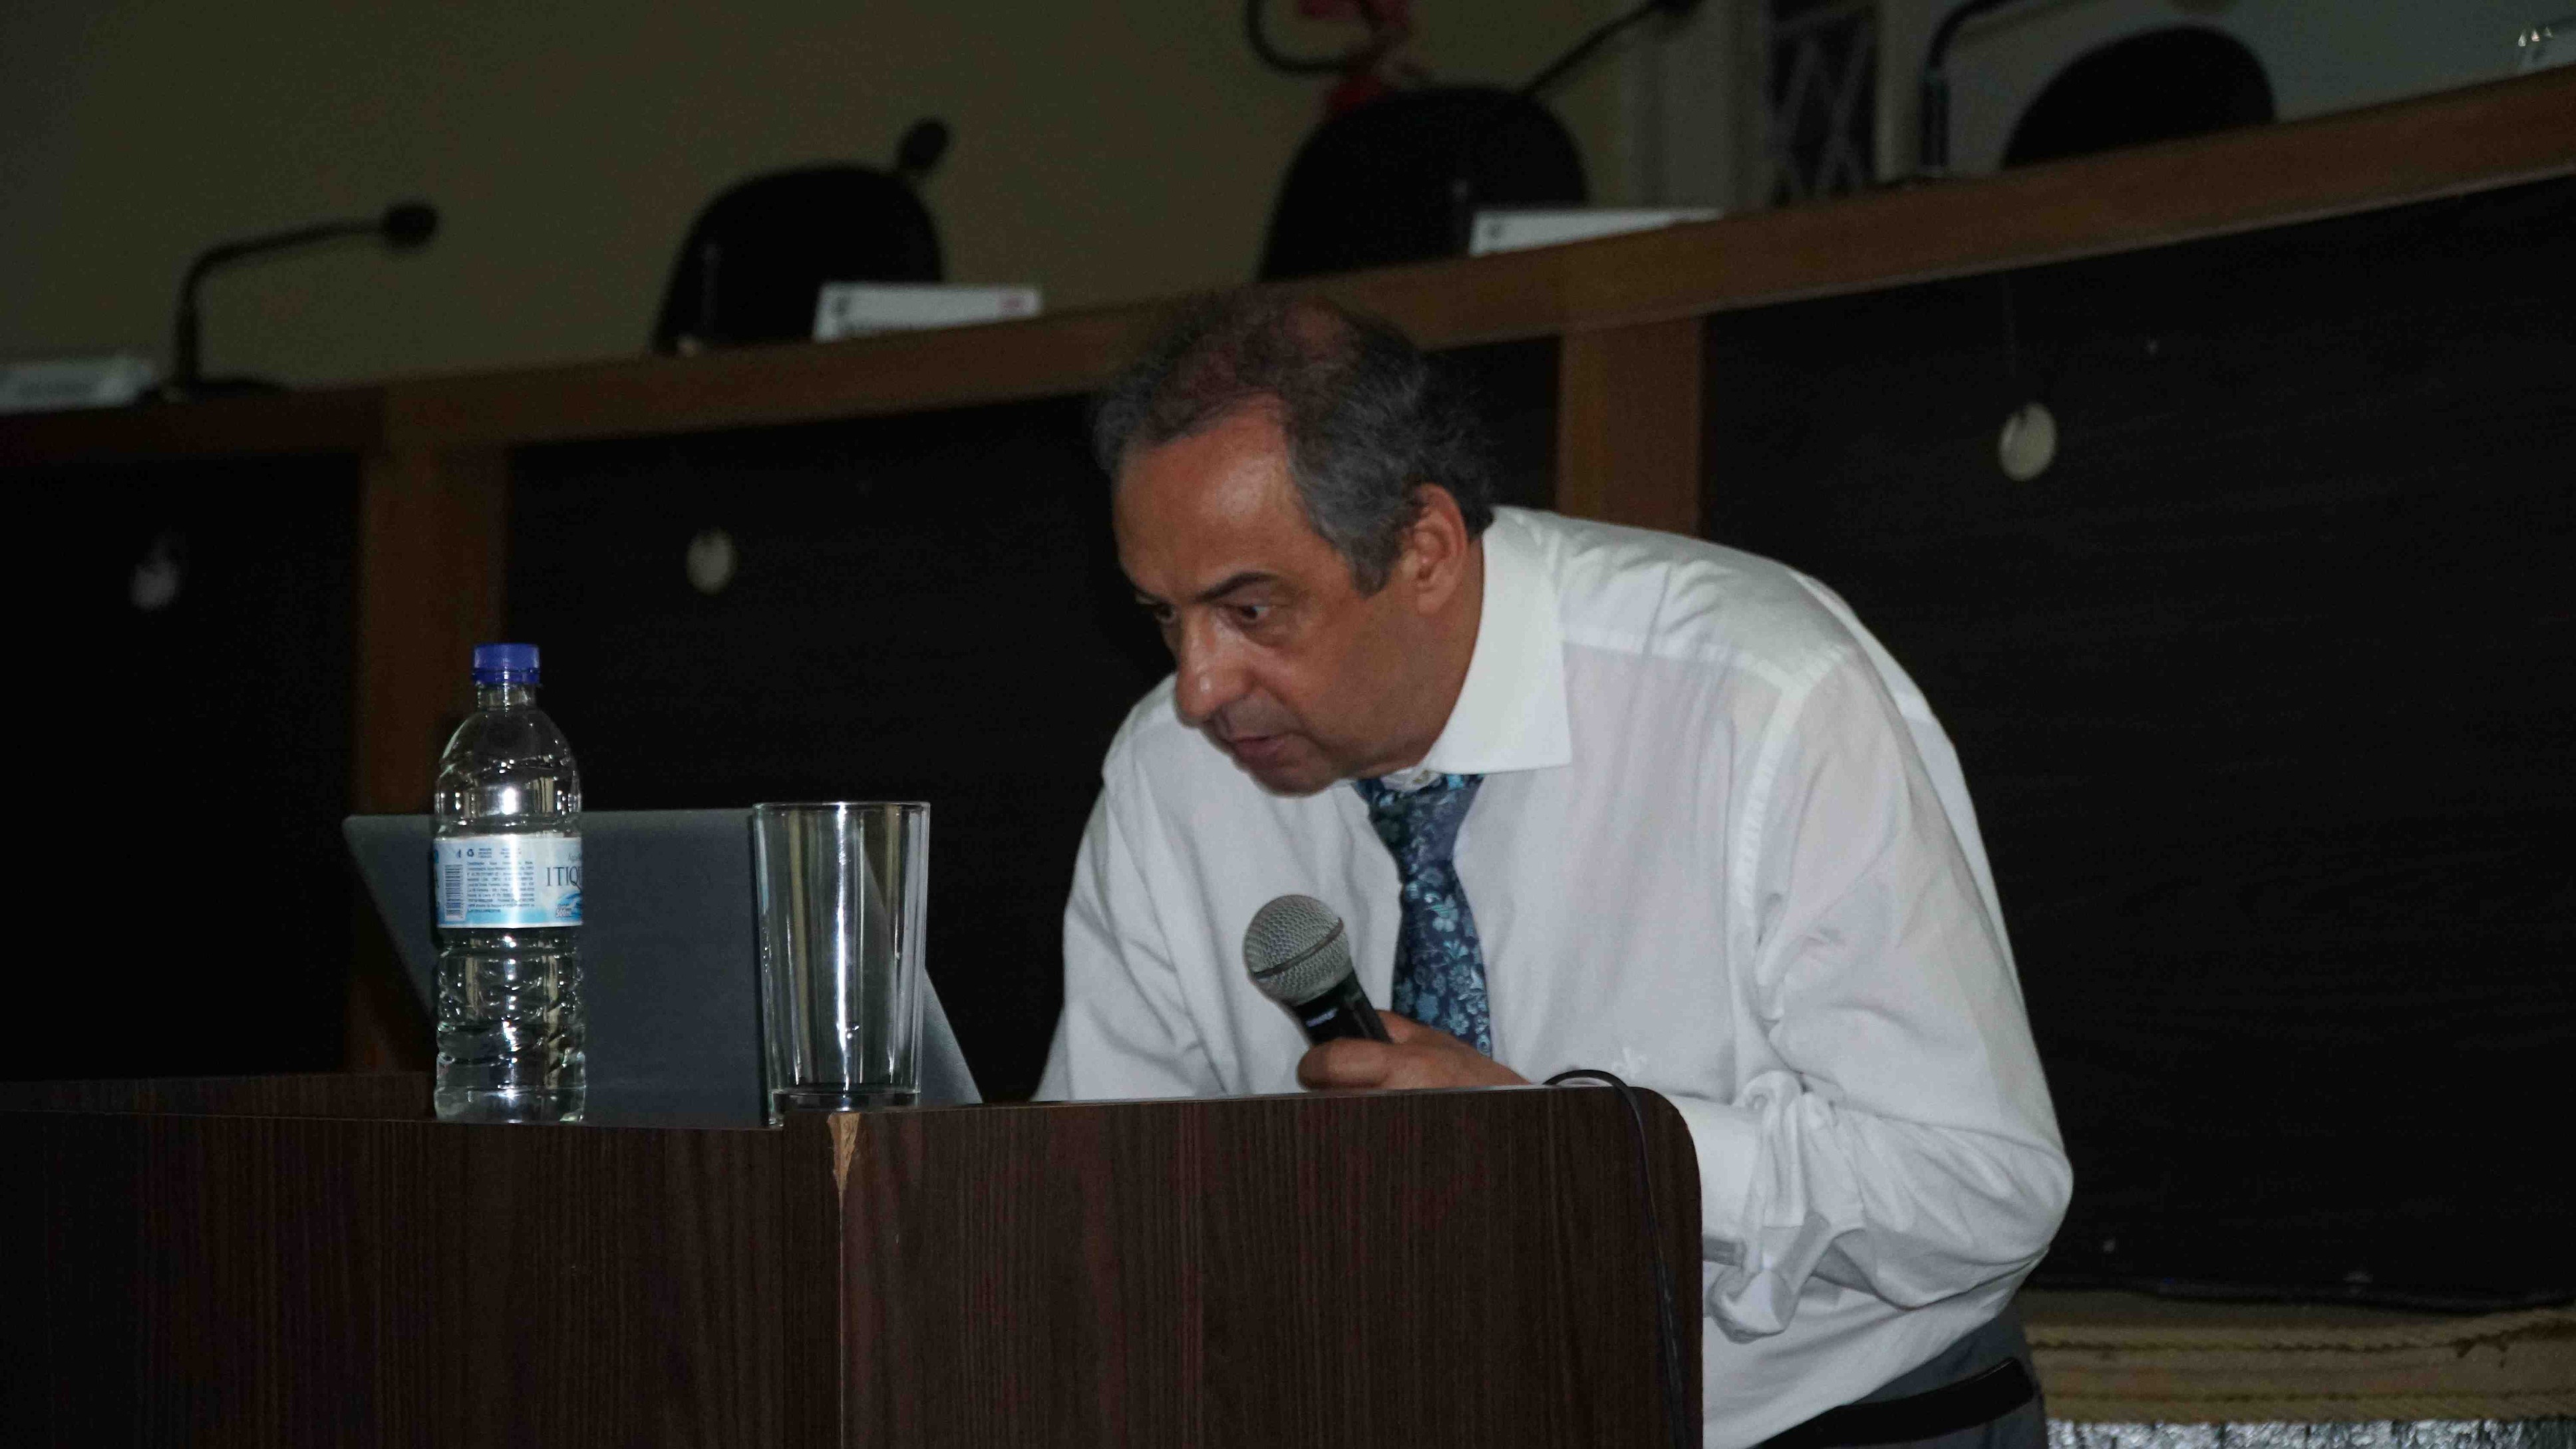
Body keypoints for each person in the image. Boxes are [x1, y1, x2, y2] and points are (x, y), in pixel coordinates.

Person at [1037, 291, 2071, 1449]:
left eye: (1248, 609)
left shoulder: (1764, 695)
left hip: (1831, 1421)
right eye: (1164, 616)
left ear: (1425, 549)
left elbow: (1980, 1188)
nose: (1198, 686)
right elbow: (1099, 1200)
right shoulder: (1170, 774)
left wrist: (1581, 1152)